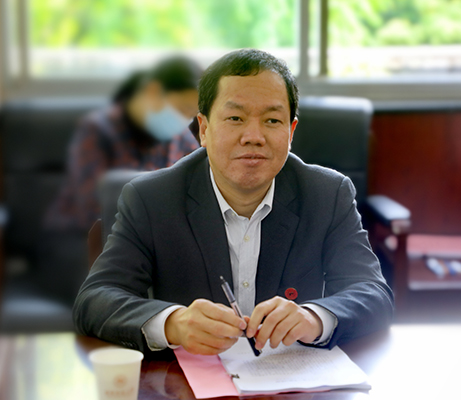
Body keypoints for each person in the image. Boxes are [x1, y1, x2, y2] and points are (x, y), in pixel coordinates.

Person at [73, 49, 393, 357]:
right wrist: (173, 323)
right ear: (204, 129)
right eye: (235, 118)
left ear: (291, 131)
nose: (253, 136)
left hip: (291, 377)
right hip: (187, 379)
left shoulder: (327, 194)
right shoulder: (151, 199)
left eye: (272, 120)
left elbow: (373, 293)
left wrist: (313, 317)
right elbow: (95, 299)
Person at [45, 55, 202, 232]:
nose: (184, 120)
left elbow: (196, 198)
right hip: (83, 236)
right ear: (153, 91)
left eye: (191, 114)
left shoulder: (183, 140)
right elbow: (93, 209)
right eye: (182, 109)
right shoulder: (97, 130)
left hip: (156, 236)